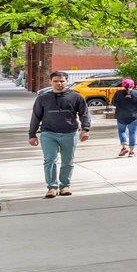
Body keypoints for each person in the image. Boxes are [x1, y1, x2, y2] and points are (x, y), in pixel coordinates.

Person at [28, 70, 91, 198]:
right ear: (50, 82)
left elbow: (84, 114)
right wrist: (32, 134)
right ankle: (52, 187)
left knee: (67, 161)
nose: (59, 84)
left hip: (70, 133)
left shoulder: (76, 97)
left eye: (62, 81)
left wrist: (85, 129)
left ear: (67, 81)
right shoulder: (43, 98)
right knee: (49, 160)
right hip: (48, 133)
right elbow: (35, 116)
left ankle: (65, 186)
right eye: (56, 81)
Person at [114, 77, 137, 157]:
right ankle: (131, 152)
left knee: (121, 131)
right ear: (133, 85)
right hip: (135, 116)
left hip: (121, 116)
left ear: (123, 85)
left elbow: (114, 103)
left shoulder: (118, 93)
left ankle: (124, 147)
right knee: (133, 133)